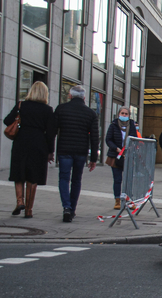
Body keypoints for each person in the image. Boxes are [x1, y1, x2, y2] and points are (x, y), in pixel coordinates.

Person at [3, 81, 56, 218]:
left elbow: (7, 121)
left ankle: (19, 201)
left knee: (19, 172)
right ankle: (28, 210)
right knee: (33, 176)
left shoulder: (22, 105)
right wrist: (50, 151)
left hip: (21, 141)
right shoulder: (47, 110)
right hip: (39, 143)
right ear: (45, 94)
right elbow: (51, 133)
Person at [54, 85, 99, 222]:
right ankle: (72, 209)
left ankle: (66, 207)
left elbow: (53, 131)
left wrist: (50, 151)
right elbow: (94, 137)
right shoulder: (90, 113)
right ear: (84, 98)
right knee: (76, 180)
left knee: (63, 178)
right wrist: (93, 158)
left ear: (70, 95)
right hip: (81, 151)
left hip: (64, 149)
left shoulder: (61, 109)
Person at [105, 107, 138, 209]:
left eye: (126, 114)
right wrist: (116, 149)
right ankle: (117, 200)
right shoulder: (113, 125)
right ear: (119, 114)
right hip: (116, 156)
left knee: (129, 180)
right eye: (122, 113)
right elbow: (108, 139)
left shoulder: (132, 126)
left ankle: (129, 199)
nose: (124, 115)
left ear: (129, 115)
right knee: (117, 179)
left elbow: (135, 139)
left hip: (128, 156)